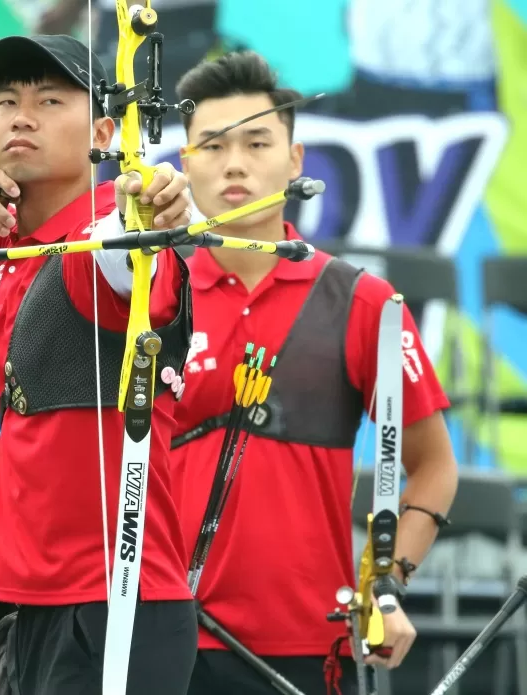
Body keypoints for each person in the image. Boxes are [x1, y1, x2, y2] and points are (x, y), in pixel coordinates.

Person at [0, 34, 199, 695]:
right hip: (34, 596)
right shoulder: (11, 233)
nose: (21, 115)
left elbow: (119, 255)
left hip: (117, 601)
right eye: (5, 101)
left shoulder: (101, 233)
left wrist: (140, 201)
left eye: (51, 100)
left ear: (107, 131)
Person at [167, 51, 459, 695]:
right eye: (211, 145)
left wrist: (384, 580)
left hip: (307, 645)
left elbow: (434, 463)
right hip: (159, 637)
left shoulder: (363, 301)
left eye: (257, 141)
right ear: (184, 162)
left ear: (295, 160)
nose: (235, 162)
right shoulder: (149, 293)